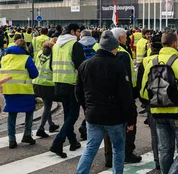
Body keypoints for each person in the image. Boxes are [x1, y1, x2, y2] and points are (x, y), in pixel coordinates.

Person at [75, 31, 137, 174]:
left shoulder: (85, 65)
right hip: (114, 117)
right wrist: (131, 119)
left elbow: (78, 92)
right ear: (113, 48)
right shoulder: (118, 66)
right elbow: (126, 96)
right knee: (118, 149)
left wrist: (87, 107)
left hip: (93, 115)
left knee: (90, 148)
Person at [140, 31, 178, 174]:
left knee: (165, 150)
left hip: (158, 112)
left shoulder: (151, 61)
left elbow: (143, 92)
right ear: (175, 43)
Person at [103, 27, 141, 166]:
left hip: (107, 96)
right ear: (119, 39)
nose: (127, 39)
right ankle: (127, 153)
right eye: (125, 37)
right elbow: (126, 78)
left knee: (109, 127)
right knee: (129, 125)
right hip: (124, 95)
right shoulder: (123, 54)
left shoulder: (104, 52)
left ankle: (109, 157)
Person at [50, 23, 85, 158]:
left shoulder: (57, 45)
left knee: (67, 114)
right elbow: (81, 66)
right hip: (72, 83)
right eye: (77, 31)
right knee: (73, 114)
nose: (79, 34)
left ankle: (73, 141)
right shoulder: (75, 45)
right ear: (72, 32)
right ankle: (58, 142)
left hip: (58, 82)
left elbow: (52, 64)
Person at [0, 37, 39, 149]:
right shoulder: (26, 58)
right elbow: (34, 74)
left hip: (8, 88)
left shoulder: (5, 58)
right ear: (24, 47)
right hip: (23, 89)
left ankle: (11, 139)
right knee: (29, 111)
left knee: (12, 113)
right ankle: (27, 134)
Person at [136, 34, 163, 171]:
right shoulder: (175, 59)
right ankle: (166, 159)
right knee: (168, 133)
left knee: (154, 134)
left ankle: (157, 160)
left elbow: (140, 83)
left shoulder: (146, 61)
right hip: (168, 102)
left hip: (151, 102)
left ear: (150, 46)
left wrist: (144, 102)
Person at [32, 40, 60, 138]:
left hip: (37, 82)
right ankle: (41, 128)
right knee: (48, 106)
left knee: (47, 104)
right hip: (48, 84)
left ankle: (51, 124)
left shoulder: (39, 53)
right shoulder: (53, 55)